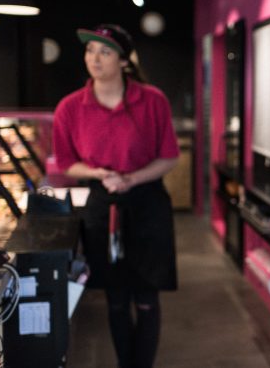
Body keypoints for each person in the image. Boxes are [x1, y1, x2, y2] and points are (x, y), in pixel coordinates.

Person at [52, 24, 179, 368]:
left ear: (124, 61)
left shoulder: (152, 100)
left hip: (147, 202)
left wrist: (132, 178)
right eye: (90, 50)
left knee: (147, 296)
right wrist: (98, 173)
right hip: (102, 204)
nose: (95, 58)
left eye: (105, 51)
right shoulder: (70, 107)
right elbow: (66, 163)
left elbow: (169, 156)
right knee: (116, 297)